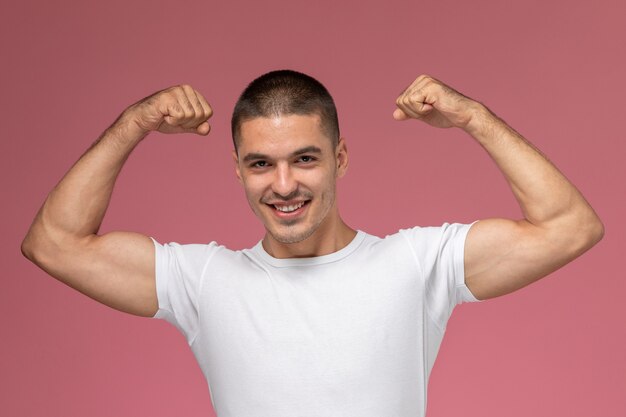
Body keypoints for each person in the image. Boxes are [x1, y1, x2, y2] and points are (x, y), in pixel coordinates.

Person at [21, 70, 604, 417]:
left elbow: (569, 227)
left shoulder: (418, 264)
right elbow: (55, 243)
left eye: (304, 159)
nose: (283, 185)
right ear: (238, 170)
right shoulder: (202, 281)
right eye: (260, 164)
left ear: (339, 158)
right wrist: (134, 123)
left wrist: (473, 117)